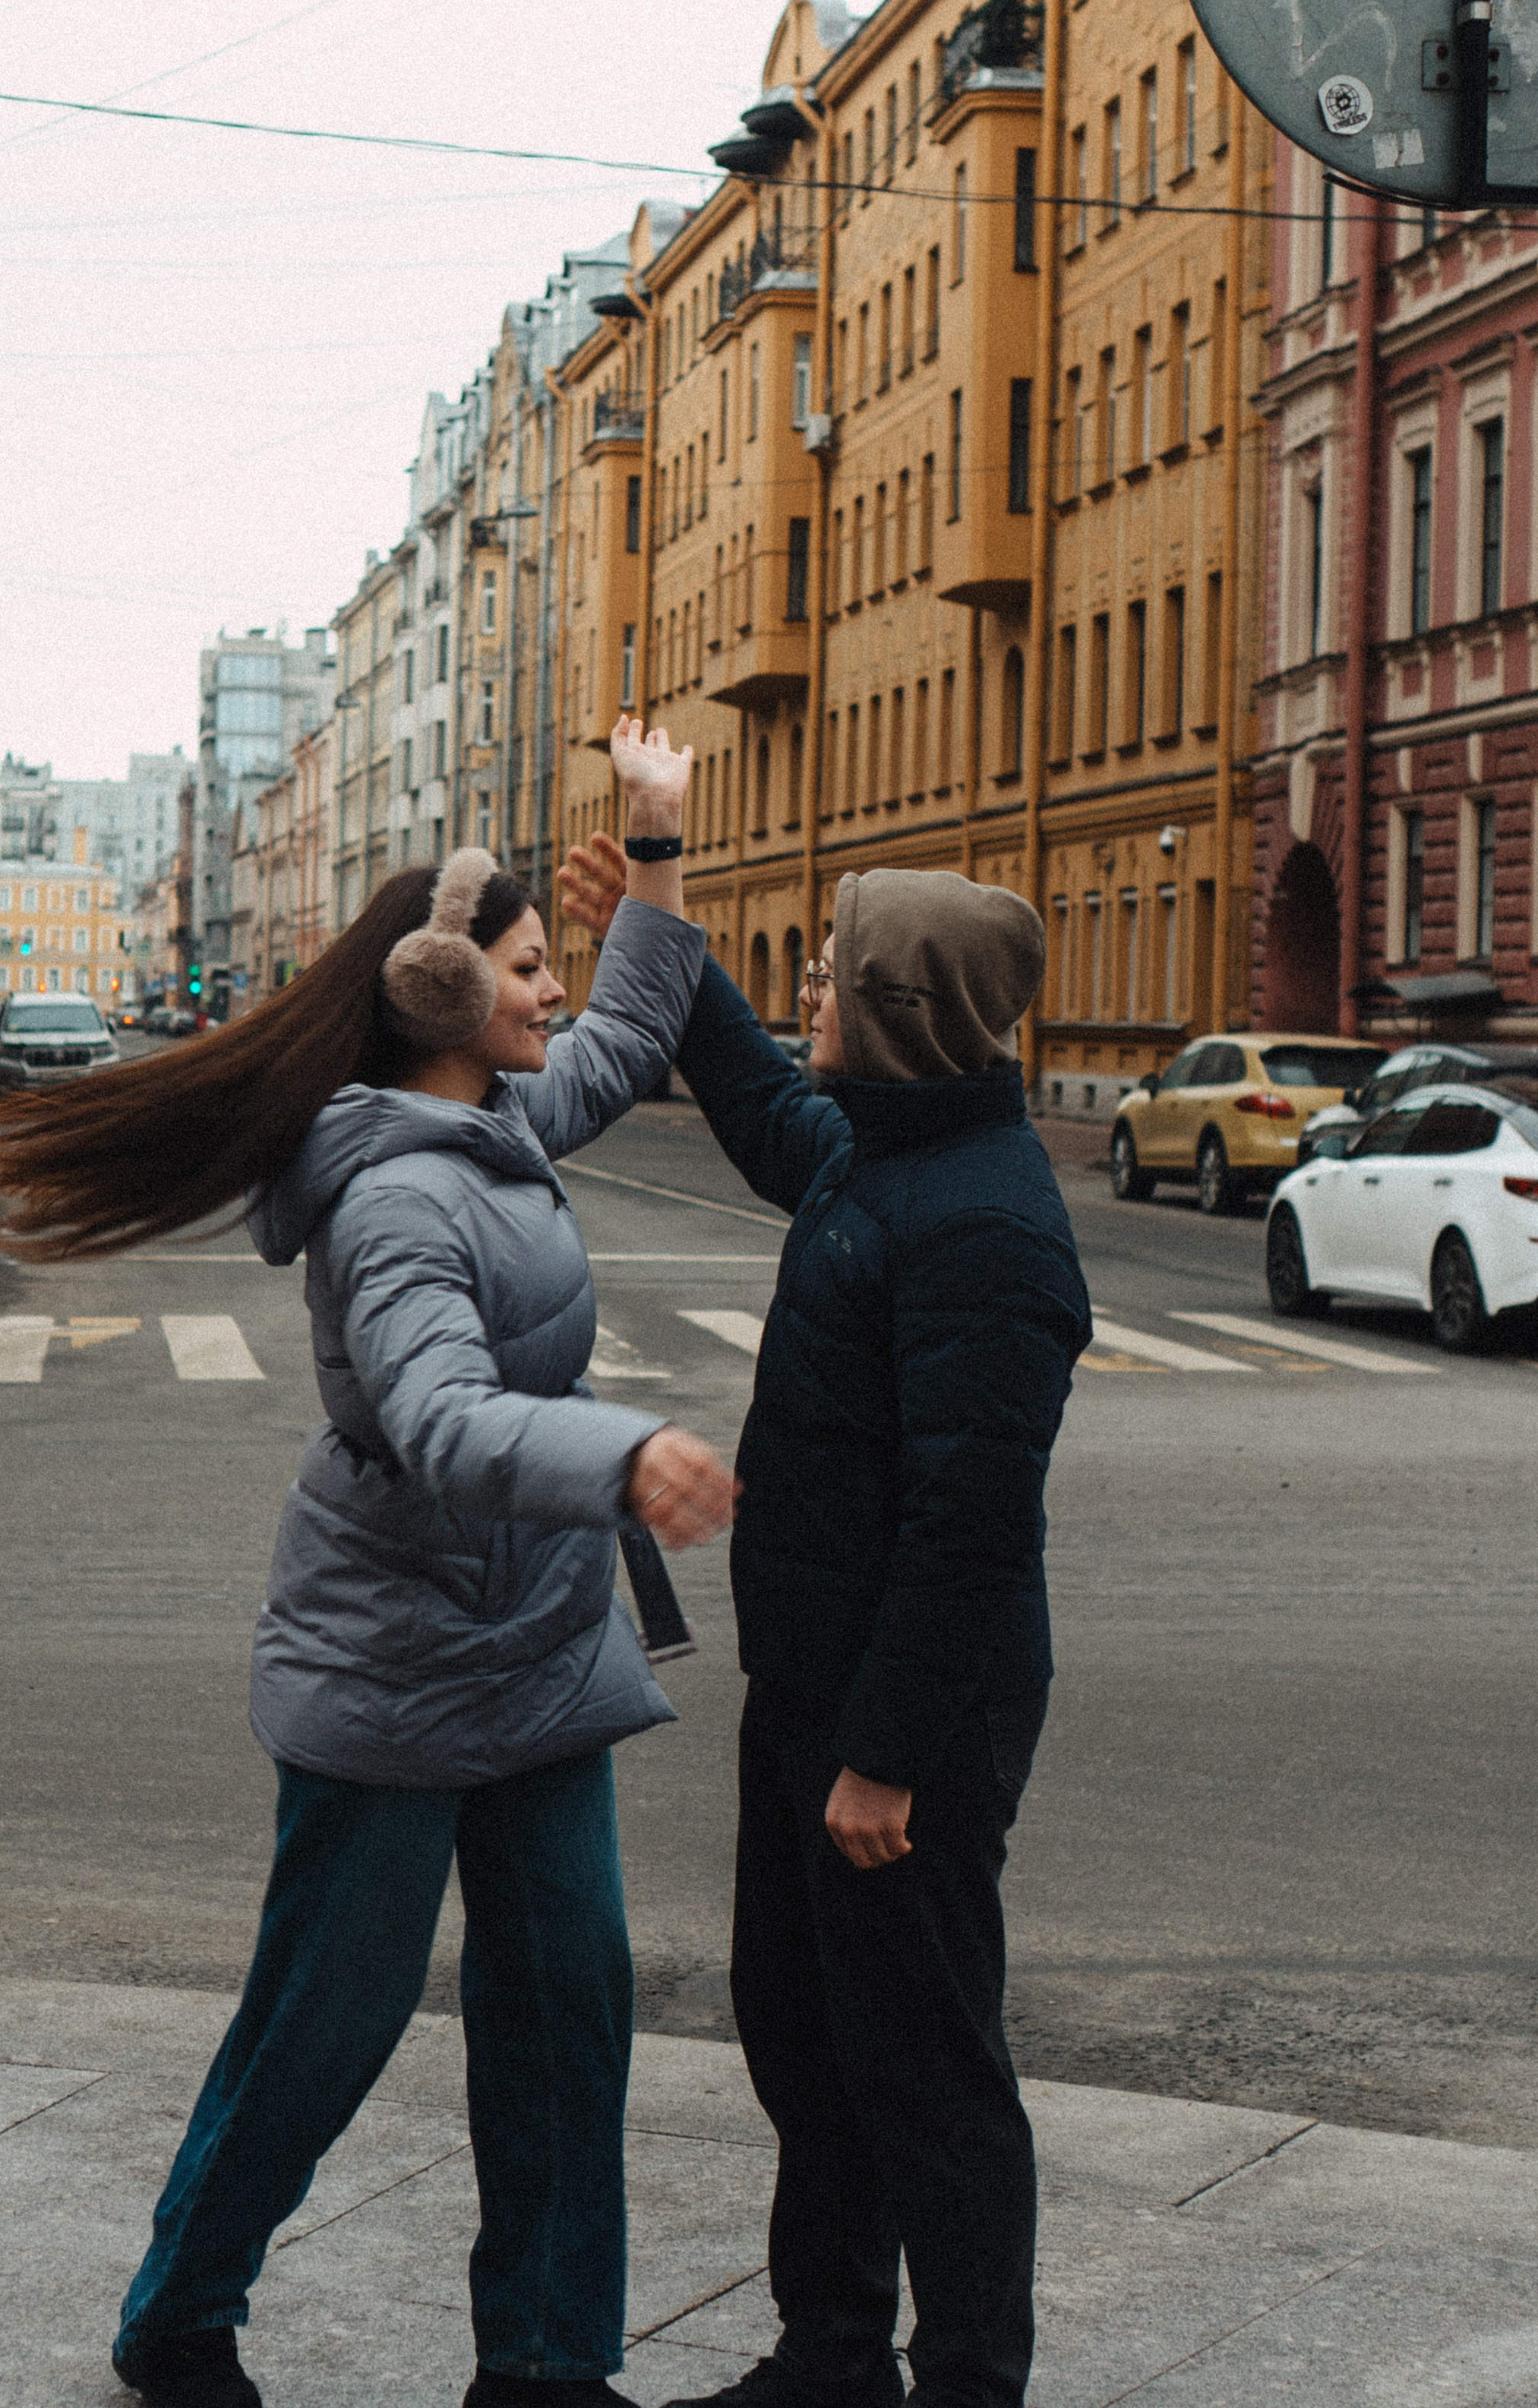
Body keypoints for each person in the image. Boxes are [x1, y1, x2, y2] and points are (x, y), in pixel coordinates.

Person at [0, 721, 735, 2408]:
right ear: (445, 995)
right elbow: (447, 1423)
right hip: (394, 1657)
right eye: (530, 972)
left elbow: (631, 1040)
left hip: (529, 1647)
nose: (554, 998)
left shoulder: (499, 1122)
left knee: (567, 2016)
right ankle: (180, 2311)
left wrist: (656, 846)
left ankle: (546, 2360)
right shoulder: (392, 1199)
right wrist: (622, 1451)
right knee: (322, 2024)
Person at [559, 845, 1091, 2408]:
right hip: (816, 1685)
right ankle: (830, 2353)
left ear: (896, 1007)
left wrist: (881, 1758)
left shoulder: (988, 1223)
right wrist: (658, 927)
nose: (806, 998)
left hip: (900, 1720)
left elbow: (969, 1530)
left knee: (925, 2068)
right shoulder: (882, 1150)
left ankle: (970, 2378)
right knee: (805, 2034)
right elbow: (759, 1104)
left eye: (829, 979)